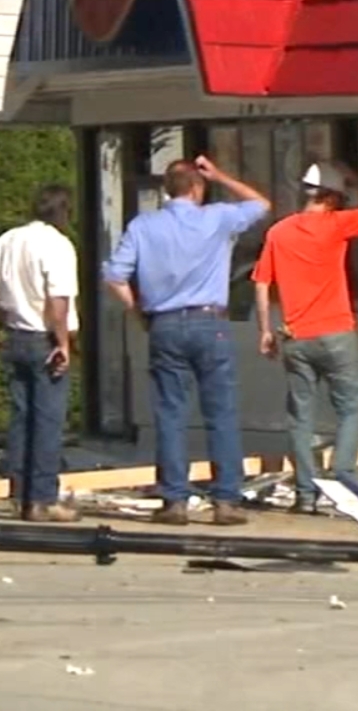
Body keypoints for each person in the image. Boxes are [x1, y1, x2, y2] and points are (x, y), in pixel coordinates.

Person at [102, 156, 270, 526]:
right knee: (220, 413)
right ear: (198, 188)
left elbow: (115, 276)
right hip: (210, 321)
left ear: (166, 190)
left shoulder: (144, 226)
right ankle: (225, 500)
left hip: (164, 322)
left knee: (170, 414)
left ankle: (174, 499)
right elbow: (261, 205)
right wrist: (221, 175)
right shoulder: (216, 217)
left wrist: (139, 311)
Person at [252, 162, 358, 514]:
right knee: (350, 408)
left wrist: (266, 330)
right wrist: (357, 177)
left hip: (295, 337)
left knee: (300, 417)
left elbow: (262, 282)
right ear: (330, 198)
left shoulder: (279, 232)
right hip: (337, 333)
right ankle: (342, 479)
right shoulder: (336, 224)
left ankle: (306, 495)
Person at [0, 185, 81, 523]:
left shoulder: (11, 239)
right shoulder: (58, 245)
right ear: (64, 213)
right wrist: (62, 343)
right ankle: (42, 499)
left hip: (14, 334)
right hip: (42, 338)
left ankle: (19, 493)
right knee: (47, 422)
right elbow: (58, 302)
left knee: (21, 418)